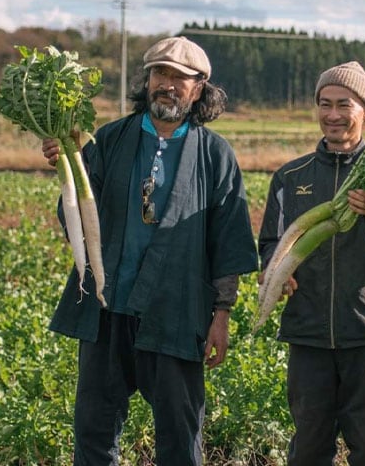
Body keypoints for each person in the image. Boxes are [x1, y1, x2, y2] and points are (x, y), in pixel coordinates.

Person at [40, 36, 258, 465]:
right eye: (161, 74)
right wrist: (68, 164)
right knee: (94, 429)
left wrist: (222, 313)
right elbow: (78, 219)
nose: (169, 85)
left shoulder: (215, 154)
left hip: (177, 311)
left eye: (181, 78)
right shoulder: (109, 140)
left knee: (180, 433)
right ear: (147, 80)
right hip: (108, 308)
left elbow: (227, 238)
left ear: (200, 89)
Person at [257, 61, 365, 465]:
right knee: (308, 448)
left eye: (344, 104)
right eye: (324, 104)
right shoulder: (291, 177)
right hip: (307, 333)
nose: (333, 115)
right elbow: (272, 243)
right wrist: (275, 271)